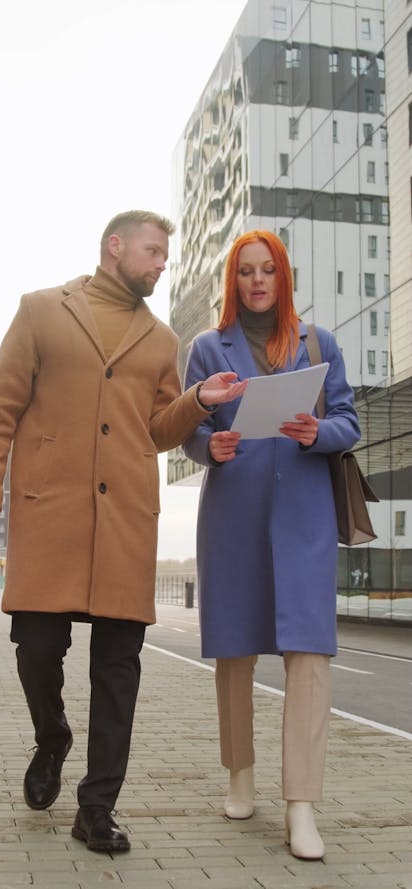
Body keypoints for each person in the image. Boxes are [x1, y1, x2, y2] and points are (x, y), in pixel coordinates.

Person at [0, 210, 246, 854]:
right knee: (37, 648)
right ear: (114, 246)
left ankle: (97, 808)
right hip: (50, 516)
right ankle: (52, 735)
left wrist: (198, 399)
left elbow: (158, 431)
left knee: (118, 670)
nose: (161, 263)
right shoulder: (40, 310)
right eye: (153, 251)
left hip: (124, 521)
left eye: (165, 255)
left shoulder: (160, 339)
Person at [182, 230, 360, 860]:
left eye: (268, 271)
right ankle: (240, 774)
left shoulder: (319, 342)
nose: (257, 281)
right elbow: (190, 427)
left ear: (283, 278)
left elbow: (349, 421)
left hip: (304, 518)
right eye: (245, 272)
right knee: (234, 653)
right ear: (232, 282)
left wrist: (318, 430)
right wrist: (210, 446)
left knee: (309, 656)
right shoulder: (208, 346)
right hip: (235, 514)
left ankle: (302, 806)